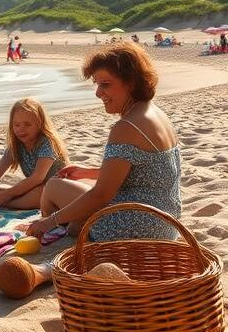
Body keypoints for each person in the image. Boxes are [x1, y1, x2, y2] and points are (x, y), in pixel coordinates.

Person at [26, 42, 180, 241]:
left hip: (136, 229)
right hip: (165, 225)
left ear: (131, 83)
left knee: (54, 186)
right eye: (97, 85)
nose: (98, 93)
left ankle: (48, 235)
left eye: (105, 84)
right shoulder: (156, 114)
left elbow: (101, 195)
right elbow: (146, 173)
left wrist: (49, 221)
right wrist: (87, 172)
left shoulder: (127, 127)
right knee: (77, 195)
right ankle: (72, 227)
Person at [0, 98, 68, 209]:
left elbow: (37, 178)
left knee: (41, 192)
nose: (21, 129)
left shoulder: (47, 143)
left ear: (40, 124)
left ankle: (3, 203)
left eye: (27, 124)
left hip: (58, 188)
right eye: (16, 125)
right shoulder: (17, 145)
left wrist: (8, 195)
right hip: (33, 187)